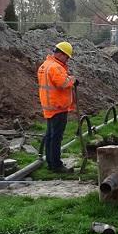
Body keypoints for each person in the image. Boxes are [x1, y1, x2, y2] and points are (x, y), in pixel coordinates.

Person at [37, 42, 78, 173]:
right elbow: (62, 83)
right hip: (58, 107)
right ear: (61, 54)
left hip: (49, 106)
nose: (67, 59)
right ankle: (56, 165)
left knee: (50, 136)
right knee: (56, 137)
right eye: (67, 57)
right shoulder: (55, 67)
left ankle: (50, 162)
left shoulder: (45, 65)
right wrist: (73, 80)